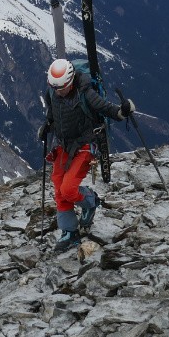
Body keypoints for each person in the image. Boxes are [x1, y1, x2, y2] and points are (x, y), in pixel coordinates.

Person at [39, 57, 133, 253]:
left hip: (84, 145)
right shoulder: (53, 92)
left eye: (62, 87)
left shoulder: (85, 92)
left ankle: (90, 201)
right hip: (63, 146)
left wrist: (122, 112)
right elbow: (53, 113)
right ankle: (69, 232)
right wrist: (47, 126)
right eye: (55, 87)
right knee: (59, 186)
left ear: (71, 80)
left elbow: (104, 108)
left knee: (67, 189)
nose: (58, 91)